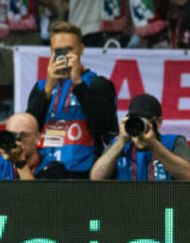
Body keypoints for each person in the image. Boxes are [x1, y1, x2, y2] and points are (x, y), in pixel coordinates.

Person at [24, 20, 119, 177]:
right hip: (44, 172)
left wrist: (78, 83)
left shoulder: (97, 83)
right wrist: (48, 88)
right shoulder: (41, 87)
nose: (64, 56)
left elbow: (107, 127)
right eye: (58, 51)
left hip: (83, 174)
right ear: (51, 51)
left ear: (81, 49)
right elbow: (28, 130)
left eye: (69, 50)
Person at [90, 93, 190, 181]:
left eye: (145, 120)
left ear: (159, 122)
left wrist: (153, 145)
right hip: (126, 202)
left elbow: (187, 175)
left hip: (165, 203)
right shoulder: (117, 145)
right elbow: (96, 178)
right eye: (135, 119)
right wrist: (121, 141)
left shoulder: (173, 142)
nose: (139, 125)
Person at [0, 112, 62, 179]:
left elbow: (36, 199)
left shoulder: (53, 168)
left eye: (23, 135)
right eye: (12, 135)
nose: (17, 141)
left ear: (38, 137)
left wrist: (20, 163)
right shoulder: (2, 163)